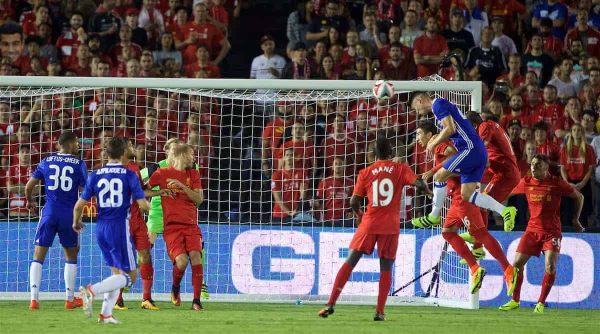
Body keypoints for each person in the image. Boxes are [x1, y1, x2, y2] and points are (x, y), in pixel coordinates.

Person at [318, 136, 430, 321]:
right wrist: (425, 189)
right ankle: (379, 311)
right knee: (385, 267)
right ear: (391, 152)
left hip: (369, 223)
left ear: (373, 155)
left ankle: (330, 303)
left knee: (350, 261)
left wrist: (359, 216)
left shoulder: (365, 172)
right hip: (390, 226)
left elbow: (353, 201)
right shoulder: (401, 168)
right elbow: (418, 183)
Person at [417, 121, 518, 295]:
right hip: (457, 197)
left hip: (463, 197)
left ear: (429, 134)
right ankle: (475, 267)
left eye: (419, 134)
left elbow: (453, 157)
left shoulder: (439, 143)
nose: (417, 138)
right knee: (448, 232)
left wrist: (435, 172)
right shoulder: (447, 144)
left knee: (480, 233)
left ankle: (508, 269)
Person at [409, 92, 517, 231]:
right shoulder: (440, 108)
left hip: (470, 149)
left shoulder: (438, 104)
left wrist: (433, 143)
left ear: (419, 100)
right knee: (467, 195)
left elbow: (450, 129)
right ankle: (505, 211)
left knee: (438, 176)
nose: (417, 112)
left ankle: (434, 216)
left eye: (416, 108)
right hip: (478, 152)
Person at [74, 137, 150, 324]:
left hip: (101, 228)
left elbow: (79, 205)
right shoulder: (129, 174)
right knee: (130, 276)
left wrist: (76, 222)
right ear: (123, 152)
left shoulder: (95, 175)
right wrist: (152, 204)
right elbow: (142, 205)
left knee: (117, 275)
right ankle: (92, 290)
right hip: (119, 227)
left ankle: (106, 314)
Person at [499, 154, 583, 313]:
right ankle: (515, 300)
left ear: (546, 168)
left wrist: (575, 220)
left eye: (537, 165)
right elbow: (505, 194)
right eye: (532, 164)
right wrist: (496, 207)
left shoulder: (557, 183)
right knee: (516, 265)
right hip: (531, 231)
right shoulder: (526, 182)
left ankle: (540, 304)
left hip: (552, 233)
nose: (533, 167)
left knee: (550, 266)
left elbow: (579, 196)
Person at [25, 132, 88, 310]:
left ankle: (34, 300)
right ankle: (69, 299)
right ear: (68, 144)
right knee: (71, 254)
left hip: (50, 212)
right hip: (69, 214)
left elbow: (29, 186)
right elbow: (87, 189)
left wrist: (29, 201)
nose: (78, 145)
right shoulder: (79, 163)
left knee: (38, 255)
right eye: (76, 142)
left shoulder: (46, 161)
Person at [140, 138, 209, 300]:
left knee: (197, 250)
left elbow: (199, 196)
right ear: (168, 151)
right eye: (172, 149)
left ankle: (201, 284)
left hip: (185, 215)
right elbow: (140, 181)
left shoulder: (192, 169)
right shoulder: (158, 167)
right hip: (158, 211)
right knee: (145, 247)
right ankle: (135, 280)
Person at [114, 140, 167, 310]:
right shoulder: (111, 170)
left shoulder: (135, 168)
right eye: (130, 146)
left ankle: (146, 299)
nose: (133, 149)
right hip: (121, 222)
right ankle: (118, 299)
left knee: (145, 255)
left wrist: (160, 192)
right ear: (123, 150)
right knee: (123, 262)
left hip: (138, 221)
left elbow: (142, 191)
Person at [461, 113, 521, 259]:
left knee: (480, 201)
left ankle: (506, 212)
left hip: (505, 174)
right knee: (480, 203)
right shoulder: (491, 126)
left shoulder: (485, 126)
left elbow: (480, 153)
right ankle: (478, 247)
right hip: (501, 172)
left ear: (474, 125)